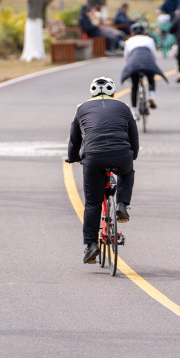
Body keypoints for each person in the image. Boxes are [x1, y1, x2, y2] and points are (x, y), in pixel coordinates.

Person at [67, 77, 139, 264]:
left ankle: (91, 245)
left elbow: (75, 140)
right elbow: (134, 137)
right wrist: (133, 156)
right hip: (122, 154)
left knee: (92, 203)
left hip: (93, 157)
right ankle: (122, 205)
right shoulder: (123, 107)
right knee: (126, 172)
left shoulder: (81, 108)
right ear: (114, 94)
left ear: (91, 94)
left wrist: (73, 157)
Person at [121, 23, 165, 119]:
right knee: (151, 78)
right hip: (147, 61)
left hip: (134, 63)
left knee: (134, 87)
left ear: (132, 33)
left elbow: (127, 57)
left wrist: (128, 68)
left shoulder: (129, 41)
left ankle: (134, 111)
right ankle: (151, 95)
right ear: (144, 32)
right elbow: (153, 54)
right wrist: (153, 65)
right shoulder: (149, 40)